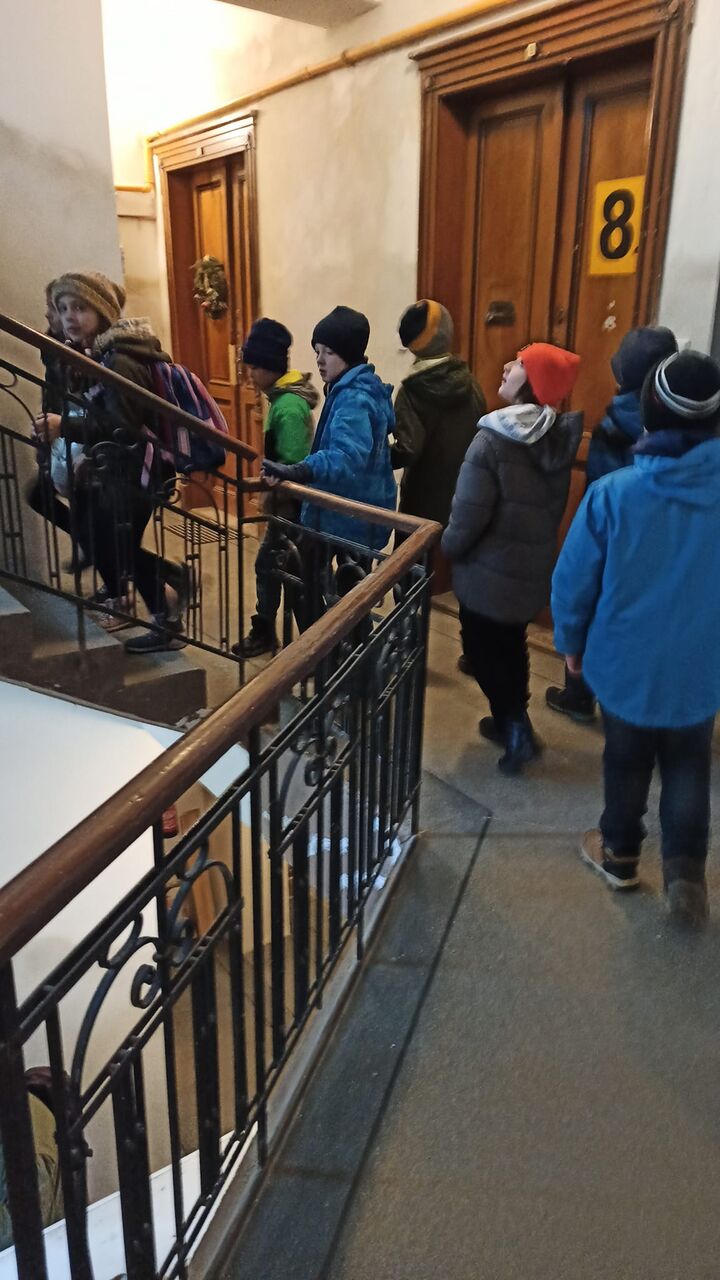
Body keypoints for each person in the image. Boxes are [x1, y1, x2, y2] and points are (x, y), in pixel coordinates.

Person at [552, 349, 720, 928]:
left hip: (623, 664)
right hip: (701, 665)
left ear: (649, 413)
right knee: (690, 764)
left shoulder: (613, 494)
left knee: (625, 762)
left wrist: (571, 643)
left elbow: (574, 582)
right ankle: (686, 874)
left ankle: (620, 855)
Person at [442, 342, 582, 775]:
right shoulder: (555, 436)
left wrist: (449, 546)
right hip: (528, 569)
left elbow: (468, 513)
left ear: (534, 380)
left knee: (480, 649)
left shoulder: (491, 439)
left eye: (520, 363)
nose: (506, 365)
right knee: (511, 644)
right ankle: (509, 722)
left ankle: (516, 725)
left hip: (488, 572)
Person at [33, 272, 189, 652]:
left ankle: (168, 614)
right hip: (117, 469)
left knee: (114, 546)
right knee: (112, 545)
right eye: (63, 308)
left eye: (80, 307)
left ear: (102, 312)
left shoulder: (120, 359)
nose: (69, 316)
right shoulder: (99, 354)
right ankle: (167, 599)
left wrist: (64, 427)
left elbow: (123, 426)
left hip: (138, 472)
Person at [546, 325, 678, 723]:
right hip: (663, 544)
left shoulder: (615, 424)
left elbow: (600, 493)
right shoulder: (679, 423)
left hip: (617, 540)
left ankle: (578, 695)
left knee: (595, 604)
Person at [261, 306, 396, 626]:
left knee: (323, 587)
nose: (320, 360)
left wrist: (300, 470)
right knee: (345, 594)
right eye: (317, 351)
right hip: (355, 511)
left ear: (348, 354)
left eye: (329, 352)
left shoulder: (353, 398)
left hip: (347, 515)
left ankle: (328, 649)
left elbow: (346, 456)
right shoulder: (356, 388)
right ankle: (338, 647)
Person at [232, 318, 317, 657]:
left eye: (255, 366)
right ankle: (275, 632)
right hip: (284, 506)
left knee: (284, 572)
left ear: (270, 365)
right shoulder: (280, 399)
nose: (250, 373)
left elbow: (293, 464)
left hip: (291, 508)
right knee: (279, 570)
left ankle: (308, 642)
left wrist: (274, 486)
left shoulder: (288, 406)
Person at [392, 300, 486, 529]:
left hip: (421, 503)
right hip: (464, 496)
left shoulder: (411, 391)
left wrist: (376, 457)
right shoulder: (471, 383)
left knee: (416, 551)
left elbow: (408, 449)